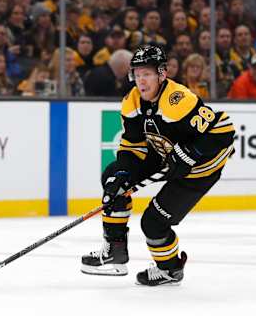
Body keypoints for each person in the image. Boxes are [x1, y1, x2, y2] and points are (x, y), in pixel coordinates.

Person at [80, 45, 235, 286]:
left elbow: (224, 131)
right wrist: (123, 171)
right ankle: (116, 249)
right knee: (113, 178)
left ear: (162, 74)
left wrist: (190, 153)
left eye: (147, 74)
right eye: (137, 74)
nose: (141, 81)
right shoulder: (131, 101)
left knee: (153, 223)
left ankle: (170, 269)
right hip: (165, 153)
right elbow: (132, 146)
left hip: (200, 168)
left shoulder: (178, 100)